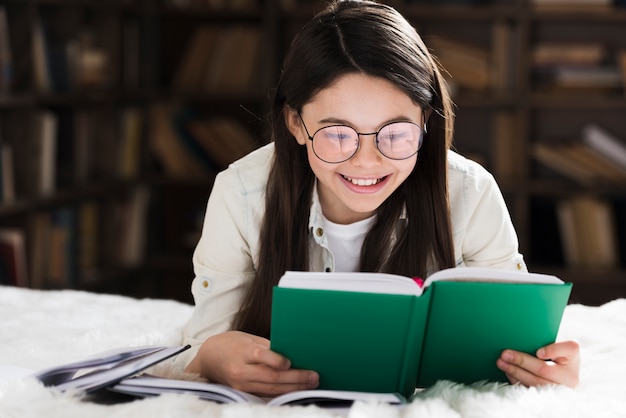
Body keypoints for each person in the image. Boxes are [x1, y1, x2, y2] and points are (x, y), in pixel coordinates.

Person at [174, 0, 580, 396]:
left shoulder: (471, 192)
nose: (368, 162)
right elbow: (205, 341)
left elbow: (515, 338)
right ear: (296, 123)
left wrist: (540, 366)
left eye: (396, 133)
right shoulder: (241, 194)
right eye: (336, 134)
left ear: (426, 119)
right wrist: (213, 356)